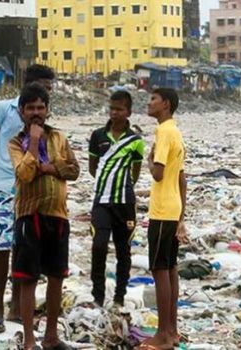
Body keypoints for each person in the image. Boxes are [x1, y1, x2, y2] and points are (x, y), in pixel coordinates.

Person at [0, 64, 55, 333]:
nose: (48, 93)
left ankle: (16, 305)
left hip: (30, 192)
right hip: (1, 188)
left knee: (25, 252)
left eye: (49, 90)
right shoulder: (2, 108)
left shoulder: (42, 118)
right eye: (45, 87)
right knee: (1, 250)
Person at [9, 83, 79, 350]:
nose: (36, 113)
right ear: (22, 112)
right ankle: (29, 340)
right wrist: (35, 141)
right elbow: (25, 173)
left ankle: (50, 336)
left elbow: (73, 169)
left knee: (56, 277)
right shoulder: (16, 142)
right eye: (30, 108)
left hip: (58, 215)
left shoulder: (59, 138)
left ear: (48, 110)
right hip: (30, 215)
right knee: (28, 279)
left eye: (40, 107)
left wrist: (50, 167)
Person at [139, 88, 188, 349]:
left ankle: (163, 335)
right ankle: (173, 330)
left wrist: (149, 161)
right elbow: (182, 179)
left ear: (166, 104)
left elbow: (158, 174)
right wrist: (181, 216)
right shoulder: (176, 132)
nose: (149, 103)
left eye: (153, 100)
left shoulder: (164, 132)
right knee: (170, 270)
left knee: (159, 270)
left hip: (160, 210)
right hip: (173, 209)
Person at [88, 90, 145, 308]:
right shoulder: (98, 136)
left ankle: (120, 296)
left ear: (128, 111)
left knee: (124, 250)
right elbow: (93, 168)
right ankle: (98, 296)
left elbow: (136, 172)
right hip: (102, 201)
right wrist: (108, 184)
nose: (115, 112)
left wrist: (121, 185)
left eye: (119, 109)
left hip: (125, 204)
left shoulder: (135, 141)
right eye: (112, 108)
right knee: (99, 246)